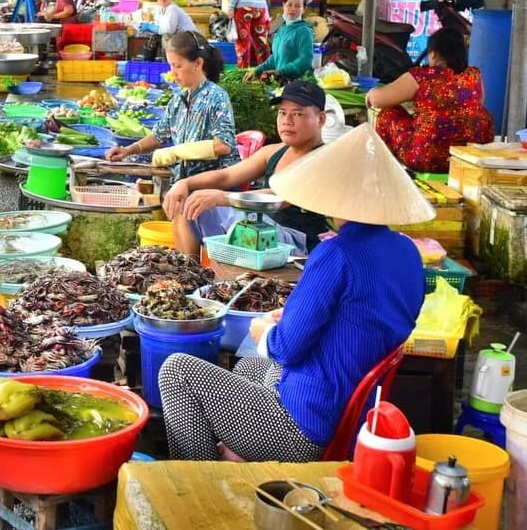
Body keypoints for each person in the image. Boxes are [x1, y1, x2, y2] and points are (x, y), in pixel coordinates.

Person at [158, 123, 433, 462]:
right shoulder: (406, 252)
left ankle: (199, 481)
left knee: (178, 372)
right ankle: (241, 457)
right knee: (248, 368)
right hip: (352, 411)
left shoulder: (336, 254)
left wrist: (265, 332)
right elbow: (363, 318)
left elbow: (286, 348)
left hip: (306, 427)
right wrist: (288, 319)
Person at [162, 81, 332, 256]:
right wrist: (185, 183)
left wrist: (222, 197)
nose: (287, 121)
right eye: (282, 113)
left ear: (320, 119)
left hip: (296, 241)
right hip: (260, 228)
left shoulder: (324, 160)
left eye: (297, 114)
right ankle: (189, 273)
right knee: (188, 204)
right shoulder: (273, 151)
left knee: (244, 224)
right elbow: (227, 176)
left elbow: (282, 197)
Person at [105, 31, 240, 181]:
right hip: (184, 178)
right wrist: (128, 150)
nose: (173, 73)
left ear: (198, 63)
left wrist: (177, 152)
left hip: (213, 182)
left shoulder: (216, 97)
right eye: (171, 66)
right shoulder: (179, 99)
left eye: (178, 66)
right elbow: (158, 136)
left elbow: (223, 146)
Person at [368, 27, 494, 173]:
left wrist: (370, 94)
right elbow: (478, 103)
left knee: (388, 113)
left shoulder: (423, 76)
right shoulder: (474, 75)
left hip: (428, 157)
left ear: (434, 54)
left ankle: (385, 173)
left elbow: (378, 100)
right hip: (470, 156)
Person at [246, 0, 314, 82]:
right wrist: (257, 71)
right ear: (283, 5)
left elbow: (305, 60)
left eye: (297, 6)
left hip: (298, 83)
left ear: (304, 9)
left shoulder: (304, 31)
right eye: (289, 5)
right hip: (281, 81)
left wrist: (281, 72)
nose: (292, 9)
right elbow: (275, 58)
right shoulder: (281, 29)